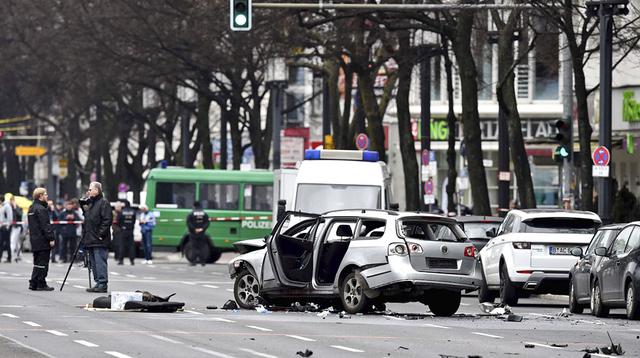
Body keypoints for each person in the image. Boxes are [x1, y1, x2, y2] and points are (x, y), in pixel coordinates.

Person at [81, 182, 112, 293]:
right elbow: (88, 220)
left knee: (100, 262)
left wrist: (100, 234)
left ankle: (102, 284)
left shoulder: (103, 203)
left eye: (91, 189)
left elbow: (107, 220)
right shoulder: (91, 204)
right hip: (91, 238)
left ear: (97, 190)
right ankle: (98, 282)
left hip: (99, 239)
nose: (89, 191)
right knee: (93, 263)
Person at [27, 188, 56, 291]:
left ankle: (34, 283)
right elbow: (45, 225)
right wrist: (51, 238)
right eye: (45, 194)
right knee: (43, 263)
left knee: (37, 262)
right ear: (40, 196)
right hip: (42, 240)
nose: (47, 196)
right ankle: (39, 282)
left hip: (34, 239)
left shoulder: (31, 208)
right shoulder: (41, 209)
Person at [186, 201, 210, 266]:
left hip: (193, 233)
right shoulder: (204, 213)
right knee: (202, 247)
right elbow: (207, 222)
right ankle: (202, 262)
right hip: (202, 233)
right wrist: (202, 229)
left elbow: (188, 222)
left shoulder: (191, 213)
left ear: (194, 206)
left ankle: (193, 261)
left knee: (194, 247)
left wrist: (194, 229)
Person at [116, 201, 137, 265]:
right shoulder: (133, 211)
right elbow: (134, 220)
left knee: (122, 245)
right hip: (130, 230)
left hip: (123, 230)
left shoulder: (122, 212)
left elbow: (118, 221)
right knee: (131, 246)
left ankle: (121, 260)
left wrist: (121, 227)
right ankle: (132, 260)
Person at [9, 195, 24, 262]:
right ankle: (19, 255)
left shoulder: (18, 208)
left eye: (12, 200)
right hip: (12, 226)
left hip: (17, 226)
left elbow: (20, 215)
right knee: (16, 242)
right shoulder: (10, 208)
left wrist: (15, 208)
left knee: (13, 241)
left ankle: (11, 255)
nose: (12, 202)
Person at [0, 194, 14, 263]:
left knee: (3, 242)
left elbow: (10, 217)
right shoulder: (2, 206)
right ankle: (9, 257)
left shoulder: (7, 206)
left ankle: (8, 257)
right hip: (2, 226)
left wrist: (7, 226)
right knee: (4, 242)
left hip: (6, 226)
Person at [47, 199, 60, 263]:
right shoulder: (45, 210)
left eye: (51, 204)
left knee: (53, 244)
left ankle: (53, 258)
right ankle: (47, 257)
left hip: (53, 229)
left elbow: (57, 217)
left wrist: (53, 210)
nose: (50, 205)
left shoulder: (53, 211)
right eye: (49, 204)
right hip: (47, 229)